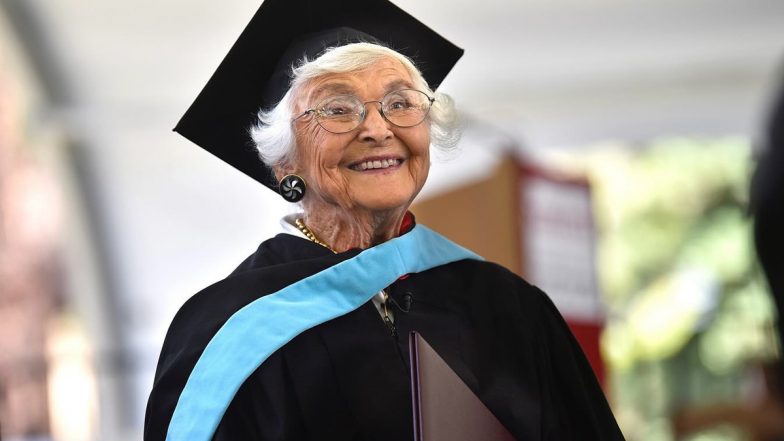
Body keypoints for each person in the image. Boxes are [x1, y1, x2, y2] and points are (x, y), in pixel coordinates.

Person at [144, 0, 625, 440]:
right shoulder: (228, 329)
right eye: (337, 109)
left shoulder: (510, 309)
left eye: (400, 103)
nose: (378, 129)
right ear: (284, 162)